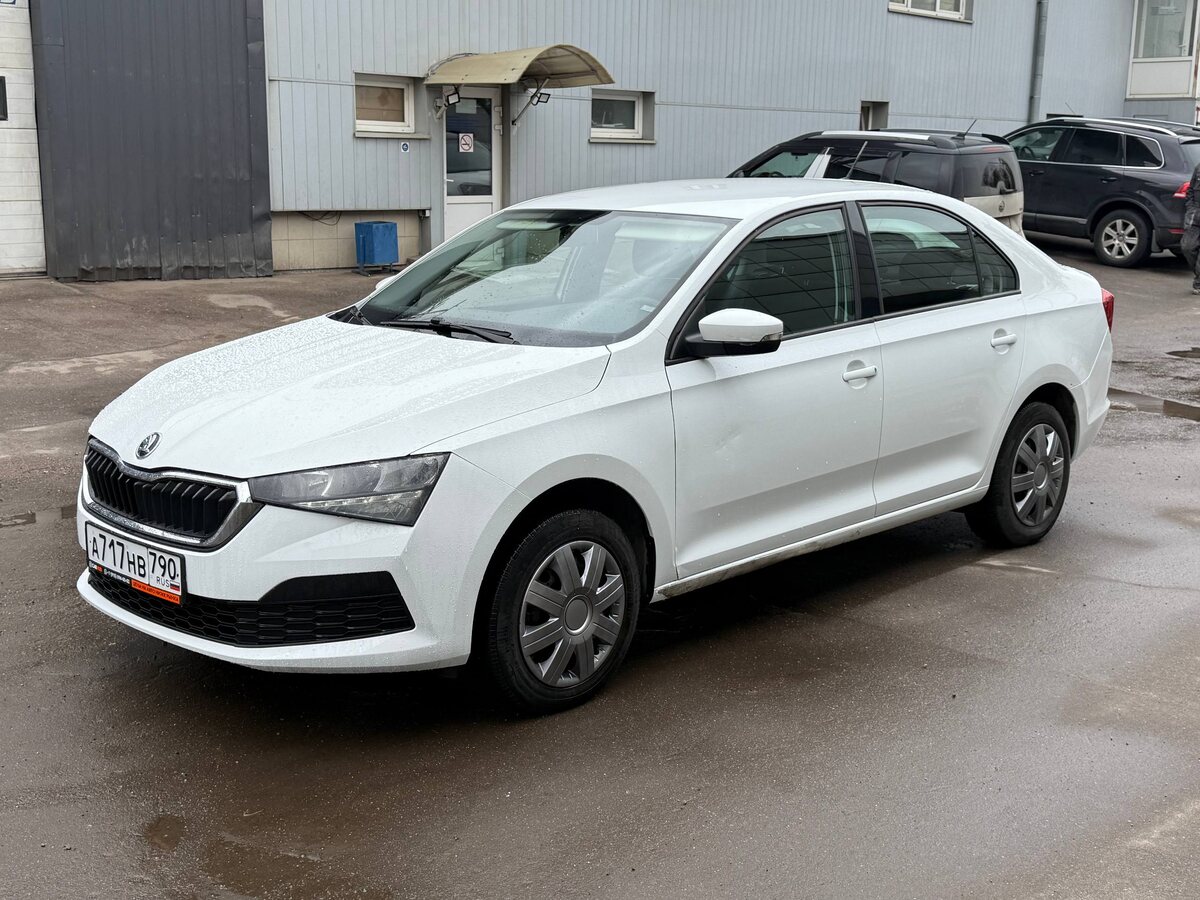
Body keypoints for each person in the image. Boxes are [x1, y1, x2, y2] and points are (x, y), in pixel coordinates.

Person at [1182, 160, 1200, 294]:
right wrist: (1191, 208)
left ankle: (1198, 283)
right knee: (1187, 247)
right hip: (1195, 214)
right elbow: (1190, 190)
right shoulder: (1199, 168)